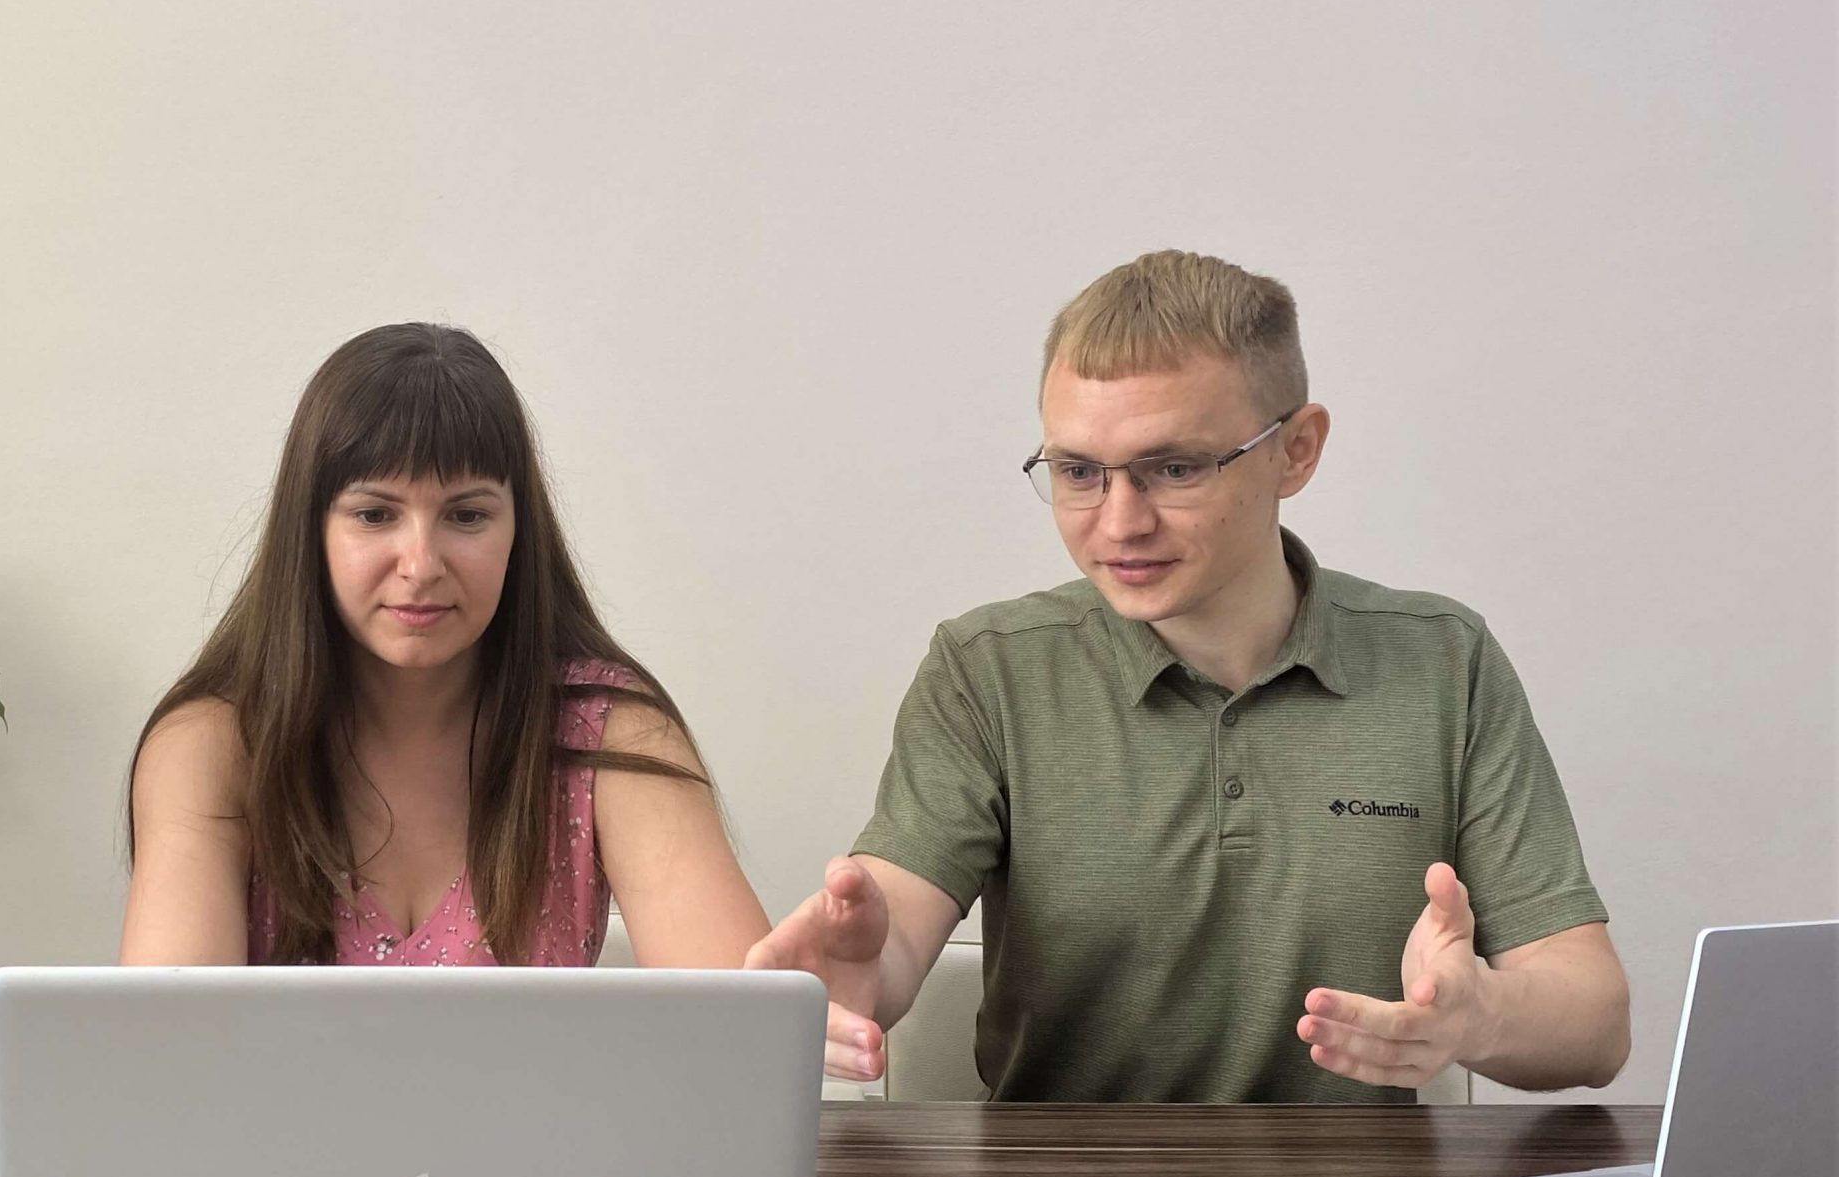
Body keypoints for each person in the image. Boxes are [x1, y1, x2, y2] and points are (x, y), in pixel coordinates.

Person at [752, 250, 1630, 1101]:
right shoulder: (988, 669)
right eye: (1078, 472)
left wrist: (1478, 1018)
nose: (1119, 523)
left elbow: (1595, 1023)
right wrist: (860, 971)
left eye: (1173, 468)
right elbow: (897, 922)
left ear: (1297, 450)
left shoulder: (1444, 661)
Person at [120, 323, 767, 968]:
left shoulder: (610, 732)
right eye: (375, 515)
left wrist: (811, 989)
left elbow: (745, 1016)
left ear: (519, 531)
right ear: (309, 530)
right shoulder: (211, 744)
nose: (421, 565)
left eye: (467, 515)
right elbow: (171, 1028)